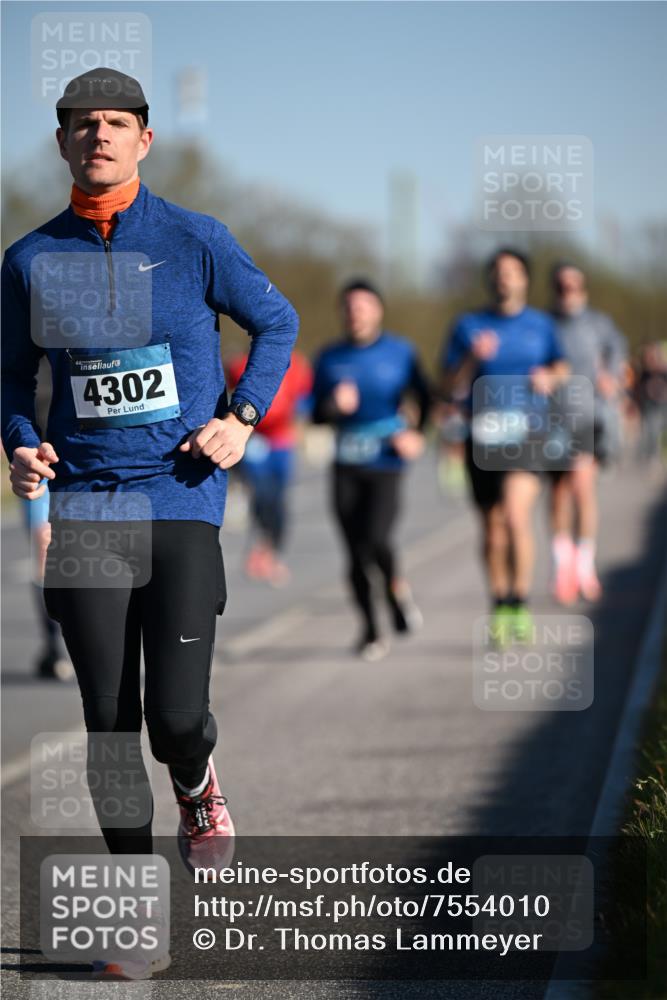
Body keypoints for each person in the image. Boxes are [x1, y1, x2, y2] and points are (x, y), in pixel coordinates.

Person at [1, 69, 298, 979]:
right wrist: (20, 442)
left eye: (115, 122)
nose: (98, 135)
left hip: (180, 496)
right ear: (61, 142)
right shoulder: (28, 260)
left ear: (144, 139)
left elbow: (276, 322)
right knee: (106, 721)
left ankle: (197, 784)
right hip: (87, 503)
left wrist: (241, 417)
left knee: (174, 720)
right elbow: (10, 376)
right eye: (82, 124)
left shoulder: (194, 239)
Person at [441, 249, 570, 646]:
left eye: (513, 272)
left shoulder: (541, 325)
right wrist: (471, 357)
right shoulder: (468, 325)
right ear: (490, 279)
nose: (505, 278)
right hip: (482, 436)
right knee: (492, 530)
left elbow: (563, 367)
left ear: (525, 279)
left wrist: (550, 376)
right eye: (498, 272)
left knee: (516, 516)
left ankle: (520, 600)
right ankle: (499, 602)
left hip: (528, 433)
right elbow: (448, 385)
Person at [312, 279, 430, 662]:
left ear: (378, 311)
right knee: (353, 553)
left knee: (377, 539)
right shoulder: (329, 357)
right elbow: (315, 414)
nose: (355, 313)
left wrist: (416, 433)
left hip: (386, 460)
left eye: (363, 306)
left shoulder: (400, 352)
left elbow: (426, 396)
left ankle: (396, 591)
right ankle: (370, 629)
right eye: (349, 307)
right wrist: (333, 406)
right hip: (346, 462)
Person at [548, 263, 628, 603]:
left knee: (582, 486)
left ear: (583, 288)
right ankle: (562, 567)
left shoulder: (599, 324)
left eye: (573, 285)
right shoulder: (545, 325)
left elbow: (618, 354)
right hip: (551, 418)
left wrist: (612, 375)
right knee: (559, 493)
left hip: (587, 415)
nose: (568, 291)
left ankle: (584, 566)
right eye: (561, 286)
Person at [226, 350, 312, 585]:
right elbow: (228, 395)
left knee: (278, 500)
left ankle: (272, 552)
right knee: (261, 495)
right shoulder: (239, 365)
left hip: (282, 441)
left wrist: (300, 420)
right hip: (254, 440)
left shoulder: (296, 364)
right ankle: (259, 548)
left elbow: (305, 398)